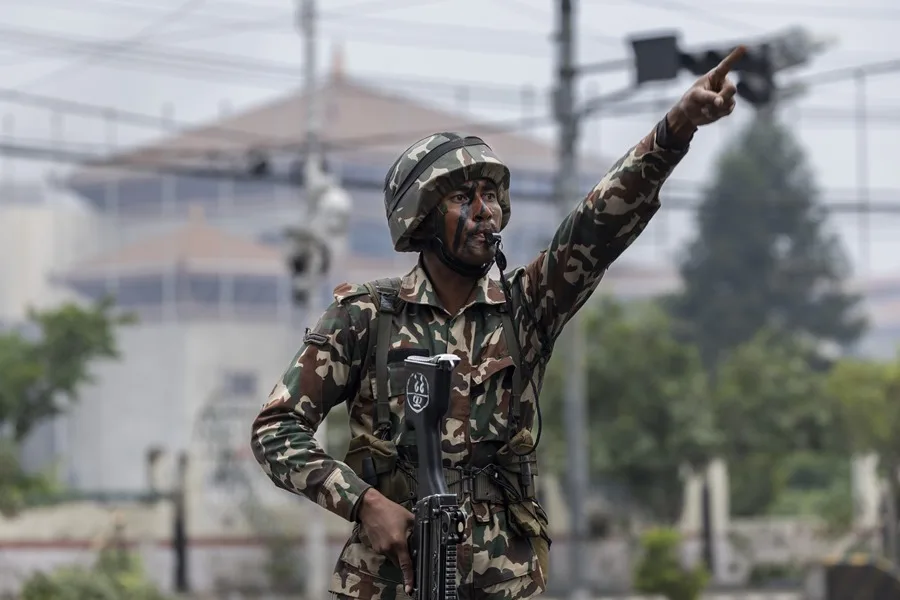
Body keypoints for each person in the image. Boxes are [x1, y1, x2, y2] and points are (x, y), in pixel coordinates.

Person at [250, 46, 746, 600]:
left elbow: (595, 229)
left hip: (503, 578)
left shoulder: (525, 308)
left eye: (492, 196)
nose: (486, 211)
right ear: (422, 215)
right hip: (386, 577)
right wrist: (365, 503)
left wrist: (675, 128)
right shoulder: (365, 316)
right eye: (464, 197)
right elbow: (276, 430)